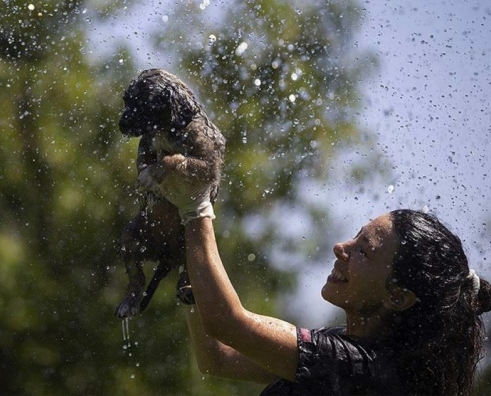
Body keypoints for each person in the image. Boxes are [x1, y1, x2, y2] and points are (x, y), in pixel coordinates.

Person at [142, 166, 491, 395]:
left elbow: (228, 322)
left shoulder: (366, 371)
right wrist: (189, 268)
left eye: (364, 251)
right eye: (356, 235)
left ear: (397, 297)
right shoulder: (348, 349)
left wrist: (196, 208)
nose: (341, 247)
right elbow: (219, 357)